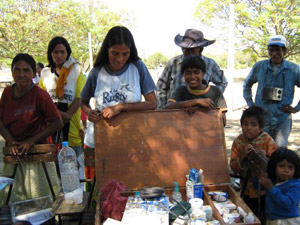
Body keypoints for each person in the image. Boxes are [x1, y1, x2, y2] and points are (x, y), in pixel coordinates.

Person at [0, 53, 63, 203]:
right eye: (18, 70)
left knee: (43, 201)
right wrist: (10, 141)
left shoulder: (40, 95)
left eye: (26, 70)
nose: (22, 74)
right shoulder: (7, 92)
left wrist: (31, 141)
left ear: (34, 73)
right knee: (12, 201)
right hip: (14, 154)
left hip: (38, 156)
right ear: (12, 72)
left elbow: (57, 122)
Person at [81, 25, 157, 148]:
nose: (120, 59)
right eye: (115, 54)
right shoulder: (96, 72)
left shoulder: (137, 67)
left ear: (131, 51)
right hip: (98, 141)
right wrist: (89, 112)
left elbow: (152, 103)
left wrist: (121, 107)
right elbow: (82, 102)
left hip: (131, 141)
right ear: (107, 50)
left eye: (125, 54)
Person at [39, 36, 86, 179]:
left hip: (71, 124)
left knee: (75, 169)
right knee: (57, 171)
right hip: (53, 123)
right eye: (55, 52)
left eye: (62, 52)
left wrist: (67, 116)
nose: (59, 55)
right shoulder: (45, 73)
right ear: (50, 54)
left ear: (67, 53)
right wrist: (59, 115)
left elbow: (80, 97)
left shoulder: (76, 70)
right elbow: (44, 99)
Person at [243, 35, 300, 148]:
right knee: (259, 149)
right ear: (268, 51)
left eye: (278, 50)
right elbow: (246, 84)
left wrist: (296, 108)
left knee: (279, 149)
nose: (274, 53)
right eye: (271, 50)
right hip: (262, 117)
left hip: (282, 118)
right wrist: (251, 105)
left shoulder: (294, 69)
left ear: (284, 51)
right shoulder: (260, 67)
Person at [156, 28, 228, 108]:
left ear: (200, 49)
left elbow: (222, 82)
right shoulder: (173, 63)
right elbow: (161, 86)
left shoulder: (210, 64)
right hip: (175, 110)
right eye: (185, 49)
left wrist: (210, 97)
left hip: (200, 112)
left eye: (192, 49)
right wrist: (162, 107)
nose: (188, 52)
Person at [230, 106, 277, 222]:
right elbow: (233, 167)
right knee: (248, 216)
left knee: (262, 217)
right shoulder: (238, 142)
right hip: (245, 189)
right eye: (245, 124)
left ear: (260, 127)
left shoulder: (267, 141)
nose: (248, 128)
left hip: (263, 191)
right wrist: (243, 156)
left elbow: (275, 164)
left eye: (253, 124)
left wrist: (261, 159)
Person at [165, 55, 227, 125]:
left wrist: (199, 112)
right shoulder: (181, 91)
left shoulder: (215, 91)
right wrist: (195, 102)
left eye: (196, 72)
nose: (192, 76)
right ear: (183, 75)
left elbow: (223, 121)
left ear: (203, 74)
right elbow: (168, 107)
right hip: (186, 133)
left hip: (209, 133)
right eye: (188, 73)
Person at [259, 148, 300, 225]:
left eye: (290, 167)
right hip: (273, 219)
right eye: (282, 166)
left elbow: (288, 203)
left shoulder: (296, 185)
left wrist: (271, 188)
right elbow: (258, 187)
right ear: (273, 166)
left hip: (288, 221)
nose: (286, 170)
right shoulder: (273, 181)